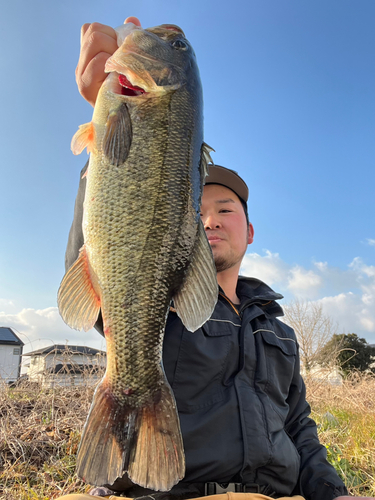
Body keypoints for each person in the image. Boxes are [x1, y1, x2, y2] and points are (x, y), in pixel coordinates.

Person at [57, 17, 367, 500]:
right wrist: (106, 132)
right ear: (183, 225)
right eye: (196, 211)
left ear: (250, 230)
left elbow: (299, 426)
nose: (212, 220)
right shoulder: (173, 313)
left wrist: (334, 491)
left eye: (227, 209)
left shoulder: (278, 332)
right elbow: (110, 265)